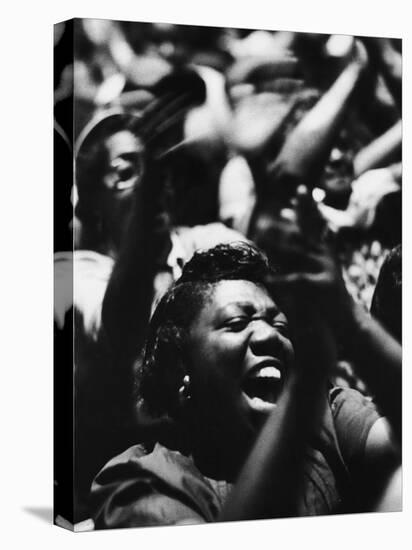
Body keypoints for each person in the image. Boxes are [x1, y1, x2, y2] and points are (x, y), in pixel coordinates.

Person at [90, 239, 401, 528]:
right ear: (180, 367)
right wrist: (304, 382)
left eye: (279, 324)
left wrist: (350, 320)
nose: (270, 337)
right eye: (237, 323)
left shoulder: (327, 416)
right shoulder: (139, 481)